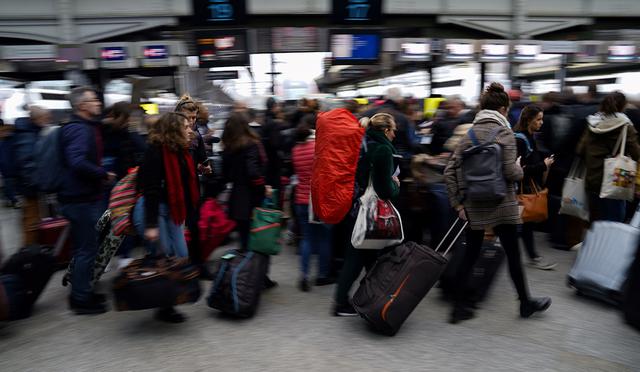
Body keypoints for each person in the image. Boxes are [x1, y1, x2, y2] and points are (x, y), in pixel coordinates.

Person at [444, 82, 551, 324]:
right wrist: (520, 169)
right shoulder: (505, 134)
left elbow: (450, 172)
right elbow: (512, 174)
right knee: (513, 254)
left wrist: (458, 204)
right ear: (503, 110)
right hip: (502, 204)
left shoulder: (469, 135)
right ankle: (525, 302)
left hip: (474, 205)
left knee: (470, 255)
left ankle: (458, 308)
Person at [133, 112, 199, 323]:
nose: (190, 130)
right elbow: (150, 190)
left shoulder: (182, 151)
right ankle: (165, 306)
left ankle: (171, 298)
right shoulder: (155, 152)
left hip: (173, 210)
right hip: (155, 209)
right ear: (173, 130)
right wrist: (151, 225)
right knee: (165, 256)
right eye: (186, 127)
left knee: (180, 253)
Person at [333, 112, 400, 316]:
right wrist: (395, 185)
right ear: (386, 130)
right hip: (367, 212)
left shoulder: (362, 142)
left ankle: (372, 297)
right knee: (356, 258)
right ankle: (341, 303)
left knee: (370, 258)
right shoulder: (382, 150)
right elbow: (383, 190)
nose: (395, 135)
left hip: (354, 206)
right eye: (393, 130)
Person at [59, 86, 115, 315]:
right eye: (93, 100)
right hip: (80, 199)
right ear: (82, 106)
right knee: (87, 249)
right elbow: (77, 161)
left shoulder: (84, 127)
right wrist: (103, 174)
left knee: (83, 247)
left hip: (79, 196)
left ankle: (82, 292)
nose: (98, 103)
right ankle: (81, 299)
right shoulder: (79, 130)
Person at [222, 112, 277, 289]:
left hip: (236, 200)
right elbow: (253, 173)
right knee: (260, 241)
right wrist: (264, 188)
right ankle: (260, 278)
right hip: (252, 200)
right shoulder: (251, 144)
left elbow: (226, 175)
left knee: (245, 242)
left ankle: (247, 278)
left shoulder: (229, 147)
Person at [577, 91, 640, 222]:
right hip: (615, 182)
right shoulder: (625, 126)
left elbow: (580, 150)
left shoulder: (593, 123)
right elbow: (636, 154)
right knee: (613, 223)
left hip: (592, 182)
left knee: (595, 222)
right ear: (623, 106)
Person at [514, 105, 557, 270]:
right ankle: (531, 257)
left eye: (542, 119)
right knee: (521, 224)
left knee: (525, 224)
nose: (541, 122)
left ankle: (531, 256)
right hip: (519, 191)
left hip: (523, 190)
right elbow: (519, 169)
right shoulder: (520, 139)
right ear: (528, 120)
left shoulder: (530, 137)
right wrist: (543, 165)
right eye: (538, 119)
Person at [292, 119, 333, 292]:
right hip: (318, 199)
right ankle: (322, 275)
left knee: (307, 238)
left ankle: (304, 275)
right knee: (324, 237)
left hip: (301, 200)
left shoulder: (295, 151)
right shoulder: (317, 149)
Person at [174, 95, 211, 278]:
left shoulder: (196, 135)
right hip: (175, 190)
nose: (192, 122)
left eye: (195, 118)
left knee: (194, 227)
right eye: (189, 118)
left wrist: (204, 167)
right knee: (178, 230)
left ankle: (198, 265)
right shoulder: (171, 137)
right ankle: (181, 268)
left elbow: (203, 158)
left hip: (192, 187)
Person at [13, 106, 52, 245]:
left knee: (31, 219)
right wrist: (37, 183)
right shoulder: (27, 134)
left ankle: (32, 249)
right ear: (35, 119)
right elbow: (27, 162)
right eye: (45, 118)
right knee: (32, 220)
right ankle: (29, 254)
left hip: (28, 184)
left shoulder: (31, 131)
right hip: (28, 186)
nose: (47, 121)